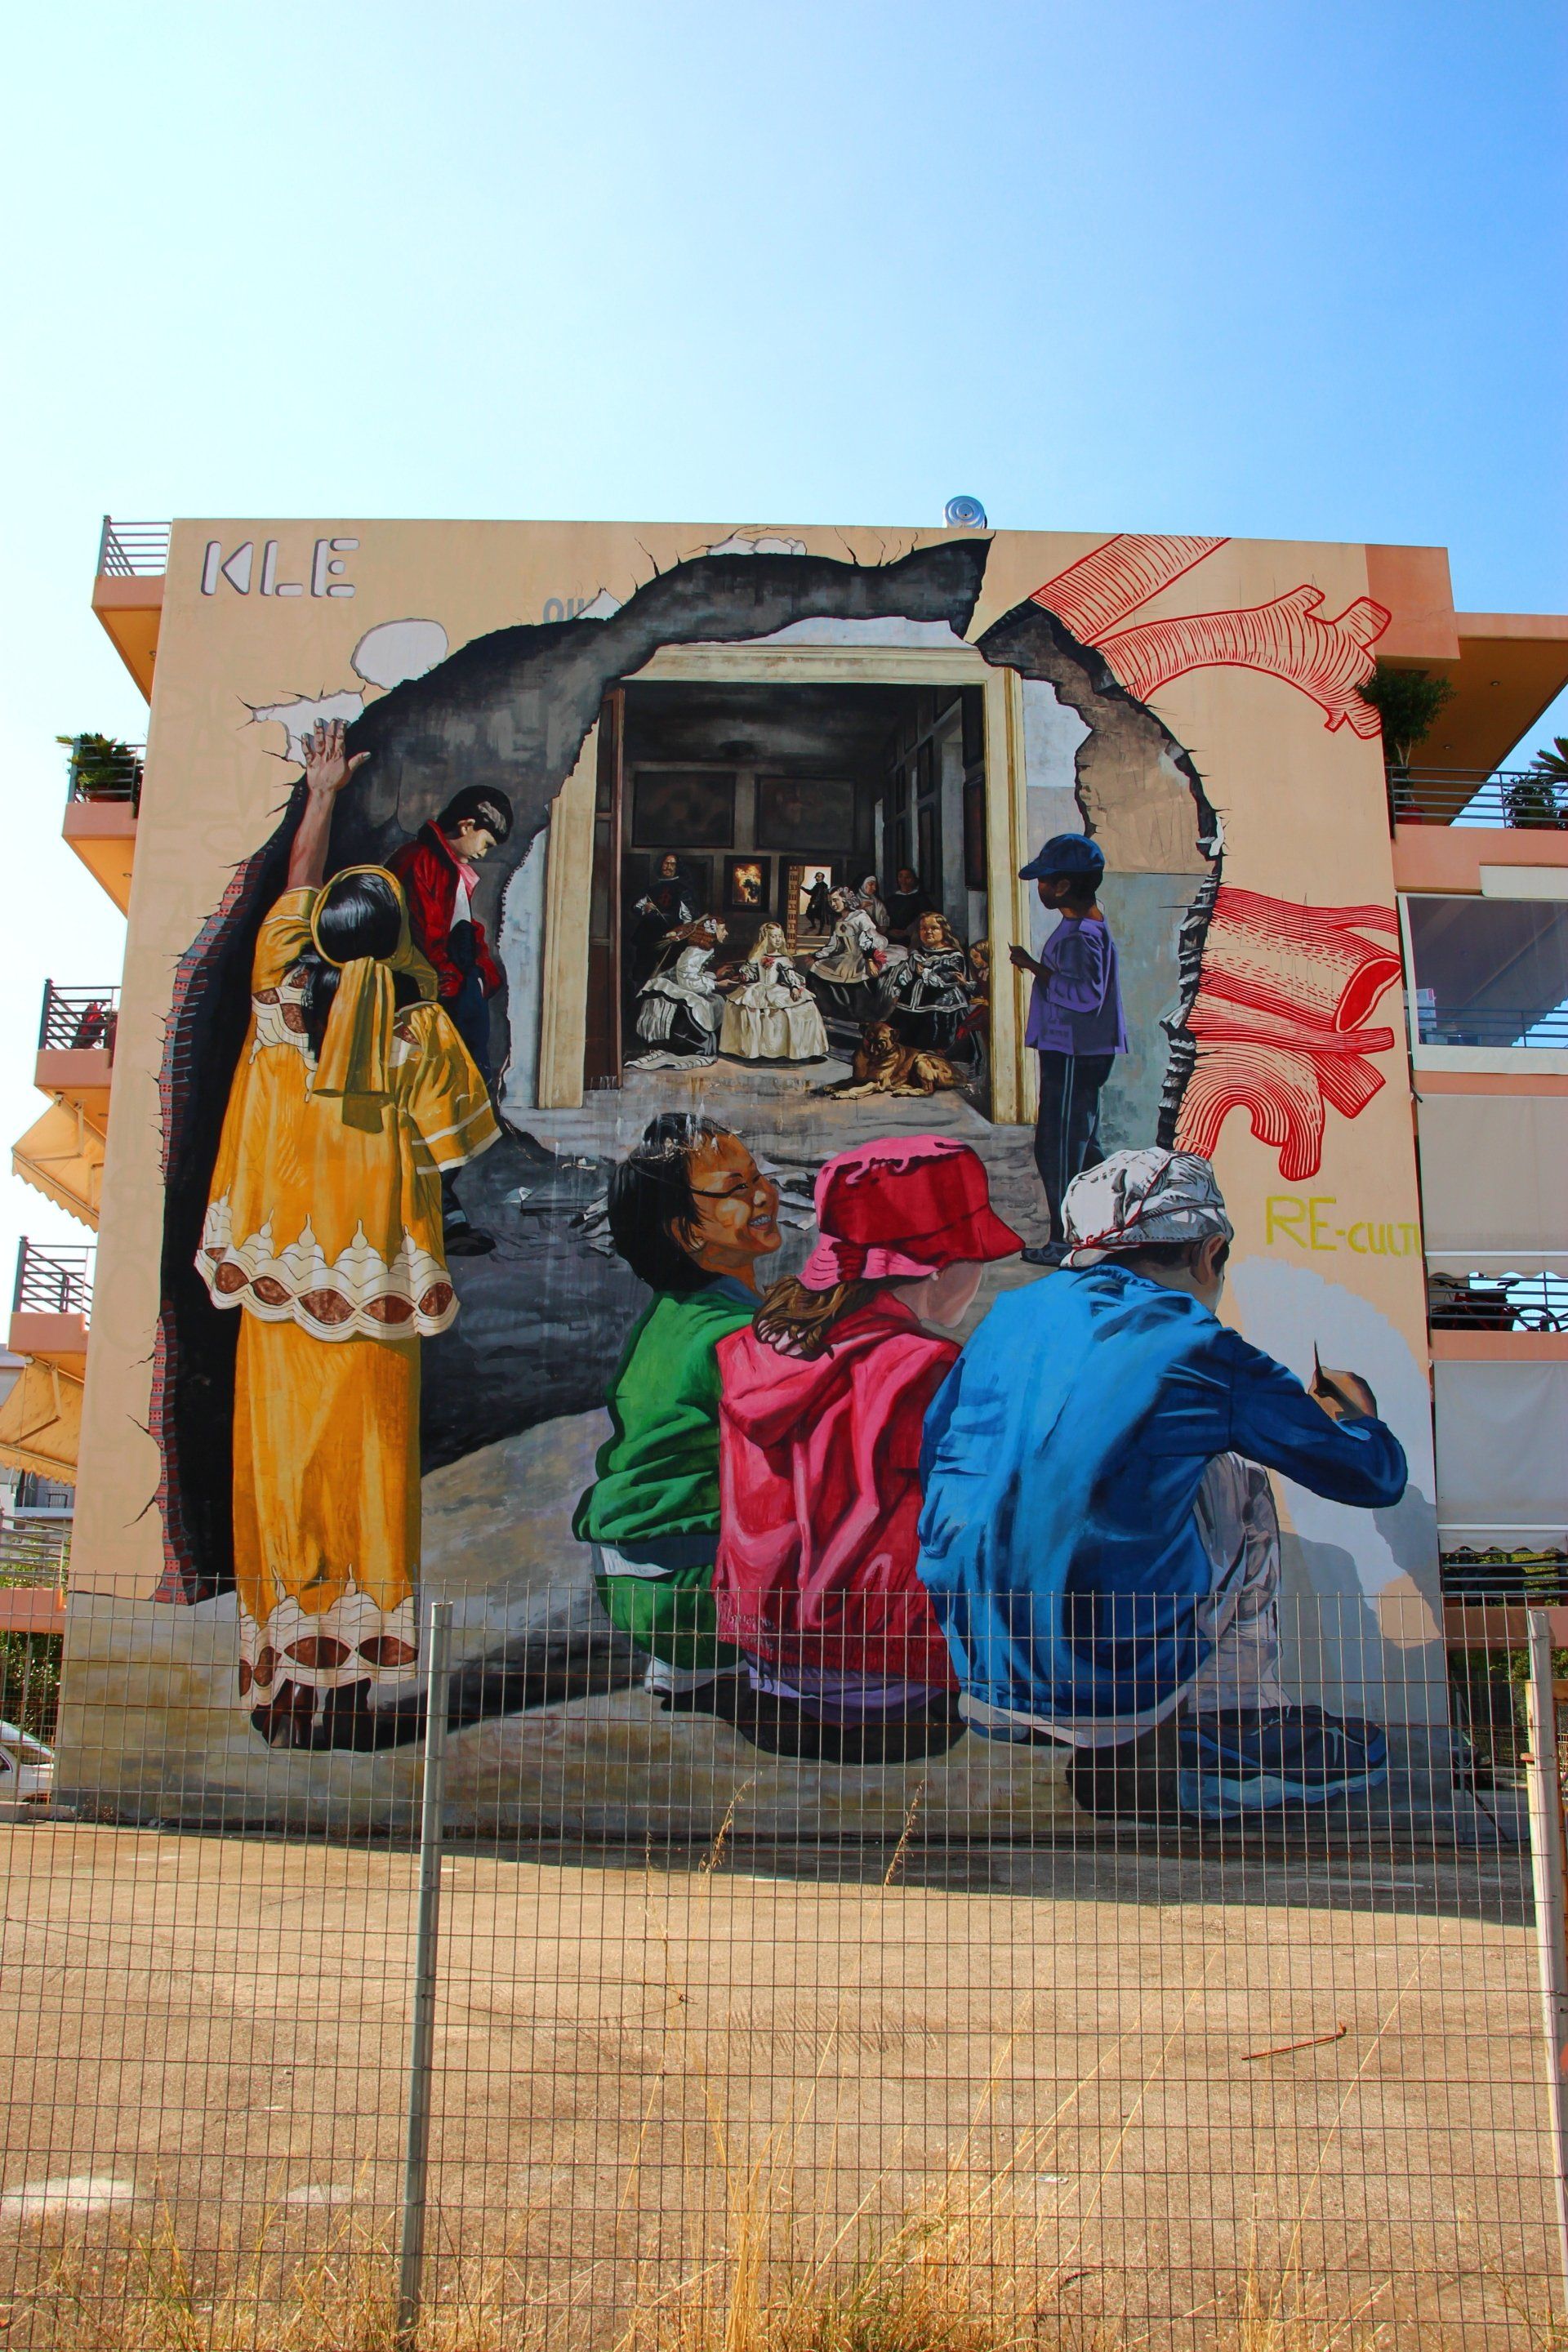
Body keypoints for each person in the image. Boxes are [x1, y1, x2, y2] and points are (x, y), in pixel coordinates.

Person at [916, 1147, 1407, 1820]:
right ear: (1210, 1254)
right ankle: (1231, 1724)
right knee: (1237, 1480)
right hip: (1111, 1681)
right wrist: (1356, 1417)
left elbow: (935, 1452)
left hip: (981, 1667)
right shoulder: (1197, 1344)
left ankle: (1034, 1704)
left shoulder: (1009, 1317)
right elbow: (1372, 1477)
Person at [198, 719, 499, 1750]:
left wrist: (321, 795)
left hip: (277, 1304)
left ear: (321, 937)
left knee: (280, 1484)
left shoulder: (274, 1001)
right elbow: (461, 1149)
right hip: (373, 1316)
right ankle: (355, 1683)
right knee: (371, 1485)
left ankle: (280, 1677)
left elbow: (297, 885)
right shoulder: (422, 1039)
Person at [714, 1136, 1022, 1762]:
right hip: (896, 1689)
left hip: (768, 1674)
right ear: (939, 1268)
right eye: (977, 1256)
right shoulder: (927, 1369)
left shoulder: (756, 1350)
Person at [574, 1116, 782, 1705]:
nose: (762, 1195)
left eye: (757, 1177)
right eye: (736, 1189)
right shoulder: (740, 1337)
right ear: (688, 1233)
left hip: (634, 1587)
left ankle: (682, 1661)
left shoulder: (669, 1319)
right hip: (693, 1594)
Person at [389, 785, 514, 1256]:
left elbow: (466, 932)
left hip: (459, 997)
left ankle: (441, 1209)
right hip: (433, 1001)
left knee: (462, 1098)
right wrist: (453, 985)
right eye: (485, 840)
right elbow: (423, 935)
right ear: (466, 825)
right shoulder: (419, 862)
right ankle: (435, 1214)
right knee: (437, 1104)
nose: (485, 851)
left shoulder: (449, 869)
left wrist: (480, 979)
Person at [1008, 834, 1128, 1267]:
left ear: (1062, 886)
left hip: (1075, 1052)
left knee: (1058, 1150)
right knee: (1081, 1146)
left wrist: (1033, 967)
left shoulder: (1081, 935)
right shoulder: (1086, 925)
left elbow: (1085, 996)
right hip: (1075, 1050)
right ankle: (1108, 1226)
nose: (1039, 888)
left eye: (1044, 881)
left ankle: (1064, 1242)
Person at [629, 915, 733, 1068]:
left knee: (717, 1001)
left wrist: (715, 976)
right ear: (711, 931)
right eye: (722, 929)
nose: (726, 933)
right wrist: (716, 984)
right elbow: (687, 980)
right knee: (702, 1004)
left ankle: (713, 1045)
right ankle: (697, 1046)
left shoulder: (704, 949)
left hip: (686, 985)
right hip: (671, 988)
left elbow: (695, 974)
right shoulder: (693, 952)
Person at [718, 922, 830, 1062]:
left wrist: (794, 987)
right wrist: (745, 974)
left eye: (779, 936)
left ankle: (793, 1048)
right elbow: (750, 975)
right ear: (766, 938)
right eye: (773, 936)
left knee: (801, 1007)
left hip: (776, 989)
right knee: (744, 1007)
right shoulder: (757, 956)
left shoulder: (783, 959)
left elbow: (789, 976)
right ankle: (750, 1049)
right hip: (759, 988)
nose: (777, 940)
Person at [882, 910, 973, 1058]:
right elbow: (906, 974)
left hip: (940, 1006)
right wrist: (898, 989)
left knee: (931, 1042)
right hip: (910, 1004)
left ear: (944, 931)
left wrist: (925, 972)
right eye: (923, 928)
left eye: (934, 928)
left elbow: (948, 980)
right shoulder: (917, 952)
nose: (928, 932)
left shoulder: (953, 956)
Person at [808, 889, 889, 1048]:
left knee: (858, 981)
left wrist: (869, 959)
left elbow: (870, 938)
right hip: (846, 956)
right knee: (816, 970)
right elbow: (834, 946)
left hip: (862, 955)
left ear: (845, 900)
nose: (833, 904)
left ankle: (860, 1021)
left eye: (835, 900)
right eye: (830, 901)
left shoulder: (860, 916)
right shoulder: (839, 921)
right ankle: (829, 1014)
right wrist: (817, 956)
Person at [627, 853, 704, 1001]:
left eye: (672, 864)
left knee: (667, 975)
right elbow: (637, 907)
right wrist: (646, 908)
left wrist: (679, 933)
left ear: (677, 867)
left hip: (671, 939)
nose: (668, 867)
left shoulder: (683, 890)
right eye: (666, 863)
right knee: (644, 972)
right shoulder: (653, 888)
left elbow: (689, 918)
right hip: (648, 938)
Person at [885, 866, 937, 943]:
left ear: (913, 880)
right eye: (900, 877)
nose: (903, 881)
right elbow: (884, 918)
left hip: (915, 936)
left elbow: (928, 917)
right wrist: (889, 931)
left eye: (907, 877)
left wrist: (908, 931)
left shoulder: (921, 898)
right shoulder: (891, 900)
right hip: (893, 937)